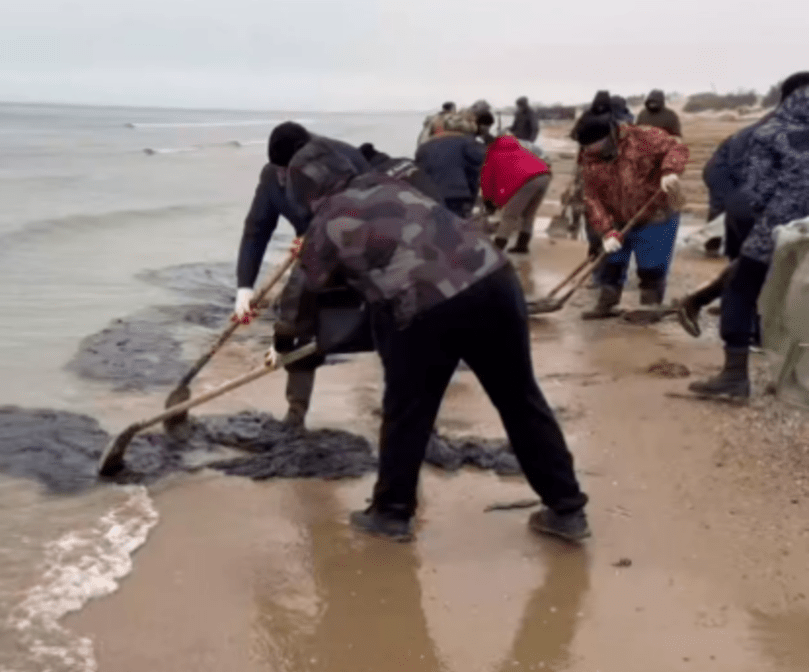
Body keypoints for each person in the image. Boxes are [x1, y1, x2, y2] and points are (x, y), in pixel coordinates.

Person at [269, 136, 591, 543]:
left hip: (424, 306)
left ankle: (391, 513)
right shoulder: (393, 185)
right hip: (494, 280)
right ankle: (567, 509)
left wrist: (285, 339)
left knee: (408, 410)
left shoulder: (328, 220)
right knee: (520, 399)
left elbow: (302, 292)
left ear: (305, 187)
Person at [233, 121, 370, 427]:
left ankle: (410, 411)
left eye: (288, 170)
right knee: (300, 324)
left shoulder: (343, 160)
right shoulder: (272, 176)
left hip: (362, 249)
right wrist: (245, 287)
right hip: (314, 254)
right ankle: (296, 412)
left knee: (386, 326)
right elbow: (257, 229)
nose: (286, 177)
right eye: (280, 172)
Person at [688, 71, 809, 399]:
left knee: (740, 290)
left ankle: (735, 376)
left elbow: (757, 193)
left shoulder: (771, 132)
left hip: (779, 234)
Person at [574, 114, 690, 318]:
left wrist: (669, 171)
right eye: (586, 147)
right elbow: (591, 198)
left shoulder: (643, 137)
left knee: (651, 263)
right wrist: (606, 230)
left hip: (655, 212)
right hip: (617, 216)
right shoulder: (588, 159)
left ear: (610, 135)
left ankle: (650, 305)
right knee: (611, 259)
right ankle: (607, 302)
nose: (590, 151)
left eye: (594, 145)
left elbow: (677, 148)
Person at [675, 110, 775, 336]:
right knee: (755, 271)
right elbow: (714, 171)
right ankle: (747, 339)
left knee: (756, 270)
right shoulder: (763, 134)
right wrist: (731, 204)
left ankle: (701, 302)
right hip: (755, 214)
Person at [482, 136, 552, 253]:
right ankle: (522, 245)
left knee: (510, 215)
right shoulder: (520, 150)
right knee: (528, 214)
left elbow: (488, 182)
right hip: (545, 175)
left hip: (528, 180)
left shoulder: (494, 155)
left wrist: (488, 202)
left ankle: (497, 248)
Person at [415, 113, 486, 218]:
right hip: (458, 194)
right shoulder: (469, 144)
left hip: (431, 195)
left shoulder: (424, 147)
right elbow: (474, 172)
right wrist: (471, 198)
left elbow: (420, 174)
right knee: (457, 227)